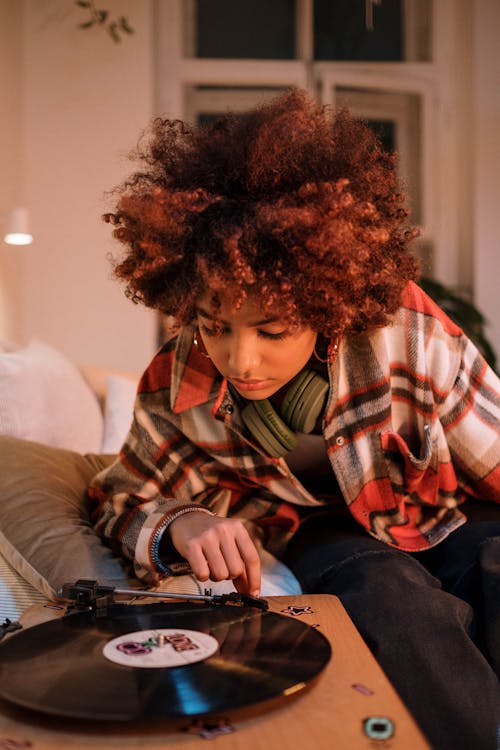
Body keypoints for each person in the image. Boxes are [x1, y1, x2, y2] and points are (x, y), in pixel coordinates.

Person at [89, 89, 500, 749]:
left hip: (438, 505)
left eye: (271, 329)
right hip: (320, 528)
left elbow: (495, 452)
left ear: (327, 305)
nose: (239, 359)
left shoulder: (408, 329)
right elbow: (118, 498)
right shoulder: (177, 377)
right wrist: (183, 521)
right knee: (387, 593)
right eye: (215, 326)